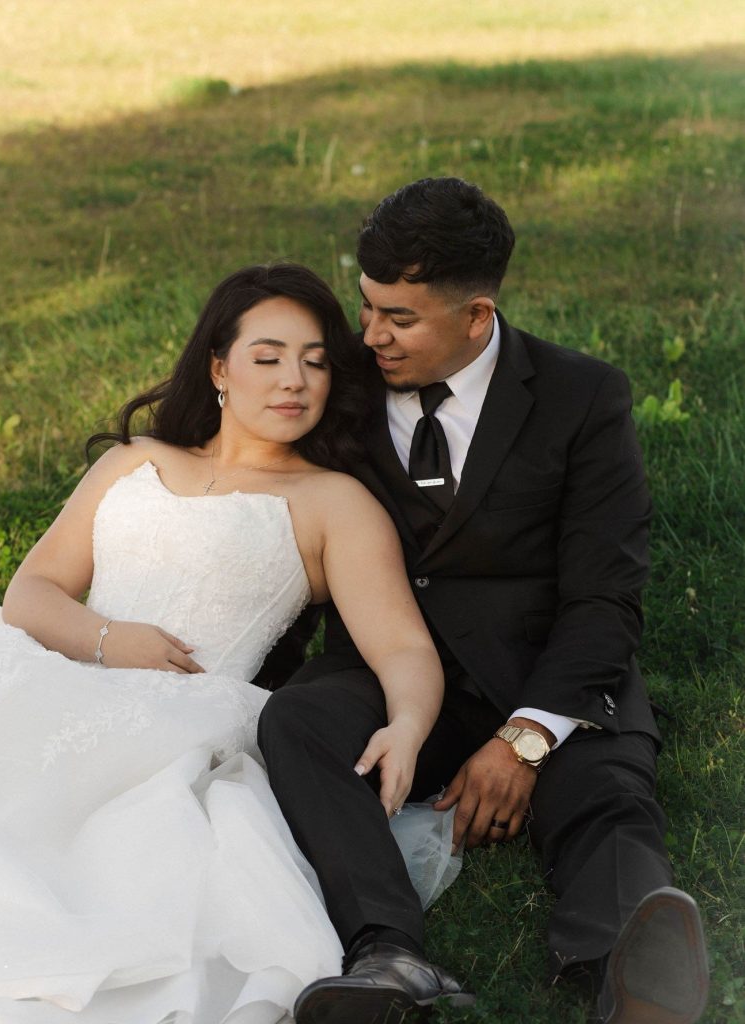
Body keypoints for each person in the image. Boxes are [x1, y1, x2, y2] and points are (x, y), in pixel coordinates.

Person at [0, 264, 470, 1023]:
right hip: (63, 664)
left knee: (74, 844)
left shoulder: (330, 502)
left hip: (186, 713)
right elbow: (31, 592)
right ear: (219, 367)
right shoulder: (135, 461)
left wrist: (406, 726)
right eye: (268, 357)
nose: (294, 381)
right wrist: (109, 639)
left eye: (314, 362)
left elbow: (402, 647)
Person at [258, 179, 711, 1024]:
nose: (371, 335)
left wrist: (527, 735)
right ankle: (386, 957)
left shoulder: (582, 398)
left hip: (543, 670)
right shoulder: (338, 387)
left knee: (604, 791)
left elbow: (604, 595)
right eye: (366, 307)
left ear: (476, 315)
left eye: (400, 318)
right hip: (386, 671)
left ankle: (631, 963)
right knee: (297, 724)